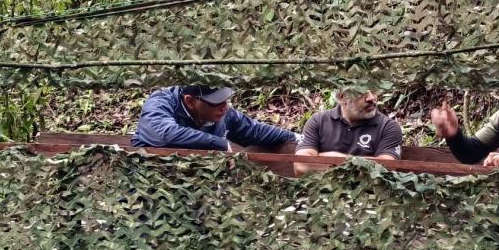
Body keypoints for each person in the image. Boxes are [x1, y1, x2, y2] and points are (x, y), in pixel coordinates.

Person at [133, 85, 295, 150]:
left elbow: (255, 130)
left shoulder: (224, 112)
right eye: (216, 102)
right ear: (190, 101)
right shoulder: (160, 102)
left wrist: (297, 138)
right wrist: (220, 144)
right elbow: (164, 134)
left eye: (226, 100)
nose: (224, 107)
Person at [294, 90, 403, 176]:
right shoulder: (319, 120)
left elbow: (386, 169)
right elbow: (301, 166)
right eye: (361, 93)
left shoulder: (388, 127)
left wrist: (333, 158)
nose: (371, 98)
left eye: (373, 91)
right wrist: (365, 165)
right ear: (342, 97)